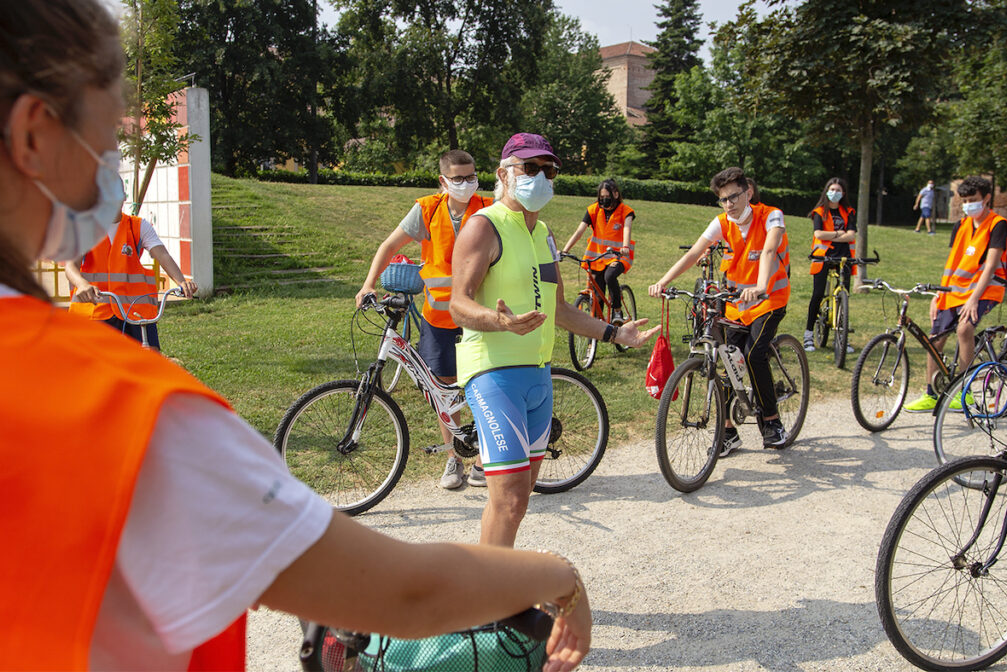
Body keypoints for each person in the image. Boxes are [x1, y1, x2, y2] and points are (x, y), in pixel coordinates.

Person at [0, 3, 590, 670]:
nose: (114, 165)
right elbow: (405, 592)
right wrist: (559, 576)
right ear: (34, 137)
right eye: (109, 137)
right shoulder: (134, 414)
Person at [449, 133, 658, 548]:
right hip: (493, 374)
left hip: (538, 377)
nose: (541, 177)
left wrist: (615, 332)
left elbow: (560, 308)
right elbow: (458, 304)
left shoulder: (543, 232)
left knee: (519, 496)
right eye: (530, 168)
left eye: (549, 170)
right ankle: (489, 600)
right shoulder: (483, 226)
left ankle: (491, 584)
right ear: (504, 175)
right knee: (507, 497)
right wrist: (499, 321)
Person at [355, 150, 490, 490]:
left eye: (471, 176)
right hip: (439, 318)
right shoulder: (427, 210)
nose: (466, 184)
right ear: (443, 181)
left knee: (481, 385)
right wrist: (369, 283)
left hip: (479, 315)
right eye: (458, 178)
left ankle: (484, 458)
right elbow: (389, 246)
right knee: (443, 390)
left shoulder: (488, 209)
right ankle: (453, 458)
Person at [648, 167, 791, 456]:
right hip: (736, 303)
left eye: (734, 197)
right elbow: (693, 253)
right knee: (725, 357)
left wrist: (761, 285)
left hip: (768, 299)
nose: (729, 204)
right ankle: (727, 431)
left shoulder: (772, 215)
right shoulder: (722, 222)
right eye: (723, 199)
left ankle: (771, 421)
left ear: (748, 192)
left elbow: (768, 251)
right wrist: (664, 281)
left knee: (752, 354)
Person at [904, 176, 1007, 412]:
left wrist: (974, 298)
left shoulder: (998, 224)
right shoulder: (961, 225)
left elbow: (993, 266)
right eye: (964, 200)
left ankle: (964, 392)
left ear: (986, 199)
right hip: (955, 291)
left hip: (986, 289)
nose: (967, 205)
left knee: (964, 329)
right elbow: (952, 264)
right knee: (935, 339)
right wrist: (939, 295)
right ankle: (931, 394)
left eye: (973, 200)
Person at [64, 202, 197, 349]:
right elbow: (70, 265)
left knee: (151, 358)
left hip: (136, 311)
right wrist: (82, 284)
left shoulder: (138, 226)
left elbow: (163, 255)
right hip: (96, 309)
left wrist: (181, 282)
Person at [561, 179, 635, 325]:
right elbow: (579, 231)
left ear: (615, 194)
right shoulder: (593, 210)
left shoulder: (626, 212)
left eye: (607, 196)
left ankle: (617, 311)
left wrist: (625, 246)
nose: (604, 200)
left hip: (618, 256)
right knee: (597, 292)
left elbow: (627, 229)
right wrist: (564, 250)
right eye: (601, 197)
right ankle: (597, 328)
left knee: (610, 276)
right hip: (597, 257)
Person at [803, 177, 857, 353]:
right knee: (817, 294)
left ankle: (842, 338)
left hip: (844, 257)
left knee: (844, 296)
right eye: (832, 189)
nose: (835, 193)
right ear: (827, 191)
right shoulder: (819, 212)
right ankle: (809, 335)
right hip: (823, 256)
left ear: (843, 194)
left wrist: (832, 235)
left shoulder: (848, 211)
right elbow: (818, 233)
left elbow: (851, 236)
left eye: (838, 190)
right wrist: (839, 233)